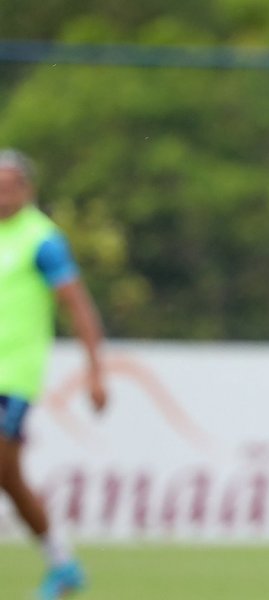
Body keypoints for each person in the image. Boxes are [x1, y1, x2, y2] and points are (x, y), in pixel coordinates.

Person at [0, 149, 108, 600]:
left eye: (10, 186)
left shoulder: (41, 240)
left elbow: (77, 306)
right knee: (8, 478)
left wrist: (95, 372)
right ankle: (63, 565)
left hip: (13, 377)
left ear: (29, 190)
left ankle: (63, 566)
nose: (2, 195)